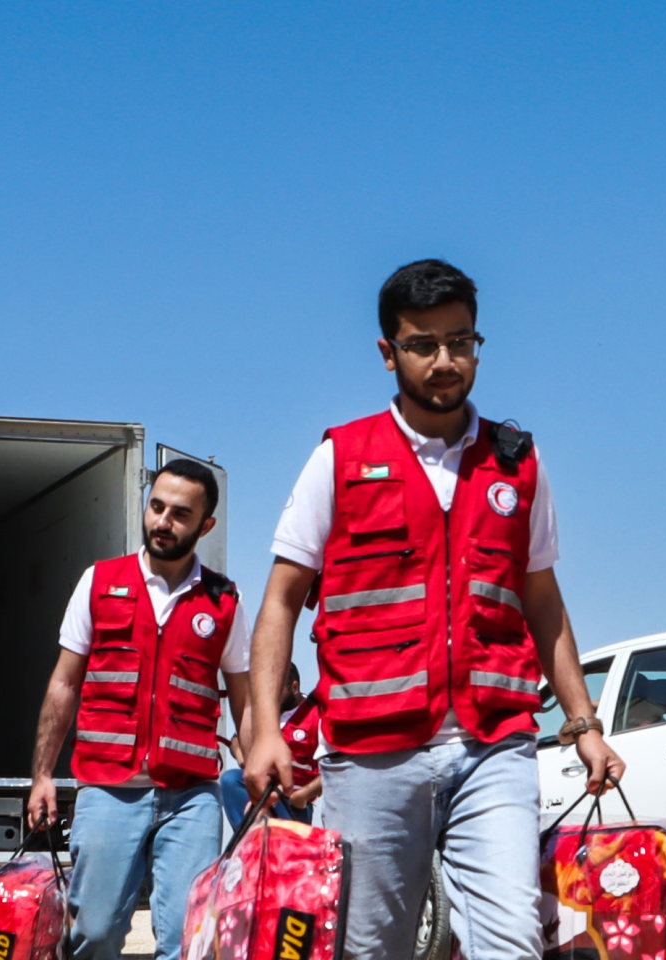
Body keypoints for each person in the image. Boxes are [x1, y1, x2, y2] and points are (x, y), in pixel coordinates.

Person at [240, 259, 623, 960]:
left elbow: (544, 602)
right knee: (371, 949)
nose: (446, 361)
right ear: (388, 352)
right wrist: (266, 729)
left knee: (513, 941)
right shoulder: (340, 458)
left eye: (462, 341)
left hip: (492, 743)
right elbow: (280, 602)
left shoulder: (518, 463)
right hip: (370, 755)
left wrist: (585, 723)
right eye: (424, 345)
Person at [24, 458, 251, 960]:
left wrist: (255, 767)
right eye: (156, 507)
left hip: (192, 794)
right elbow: (64, 684)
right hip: (108, 789)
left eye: (180, 514)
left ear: (205, 525)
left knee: (190, 942)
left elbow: (244, 698)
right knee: (96, 934)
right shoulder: (99, 582)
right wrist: (42, 774)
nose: (162, 522)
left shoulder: (223, 601)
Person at [220, 668, 324, 824]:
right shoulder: (264, 712)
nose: (270, 695)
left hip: (294, 803)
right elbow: (236, 740)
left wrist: (302, 796)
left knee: (287, 845)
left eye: (276, 689)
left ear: (294, 688)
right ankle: (250, 839)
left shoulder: (317, 715)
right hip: (263, 793)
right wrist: (241, 754)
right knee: (230, 780)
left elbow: (333, 769)